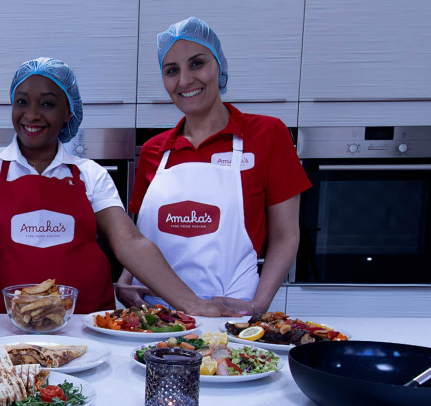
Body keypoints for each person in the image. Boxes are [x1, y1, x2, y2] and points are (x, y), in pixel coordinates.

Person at [0, 57, 207, 314]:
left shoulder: (90, 174)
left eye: (47, 103)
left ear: (67, 114)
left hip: (87, 323)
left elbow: (130, 242)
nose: (31, 114)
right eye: (22, 101)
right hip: (5, 326)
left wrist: (195, 305)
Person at [117, 16, 311, 317]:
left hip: (228, 316)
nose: (184, 80)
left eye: (197, 63)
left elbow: (286, 236)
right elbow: (139, 240)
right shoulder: (155, 150)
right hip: (155, 319)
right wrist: (125, 281)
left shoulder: (267, 135)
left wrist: (257, 307)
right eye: (172, 71)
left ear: (219, 65)